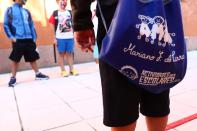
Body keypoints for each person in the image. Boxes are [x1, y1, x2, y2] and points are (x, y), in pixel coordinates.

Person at [70, 0, 170, 131]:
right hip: (150, 12)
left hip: (120, 15)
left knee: (127, 102)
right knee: (152, 93)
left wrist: (81, 21)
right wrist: (81, 21)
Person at [3, 0, 49, 87]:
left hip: (28, 38)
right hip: (18, 39)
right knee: (15, 59)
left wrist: (34, 37)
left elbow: (31, 24)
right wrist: (12, 37)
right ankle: (13, 77)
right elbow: (6, 25)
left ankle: (37, 74)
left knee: (32, 57)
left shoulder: (26, 11)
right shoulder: (10, 10)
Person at [49, 0, 79, 77]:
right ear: (57, 2)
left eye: (65, 0)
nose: (63, 2)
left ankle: (72, 69)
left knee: (70, 53)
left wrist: (75, 35)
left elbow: (74, 24)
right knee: (61, 54)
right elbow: (51, 25)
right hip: (60, 37)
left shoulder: (70, 12)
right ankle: (63, 70)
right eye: (61, 0)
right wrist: (54, 38)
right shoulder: (55, 13)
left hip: (70, 37)